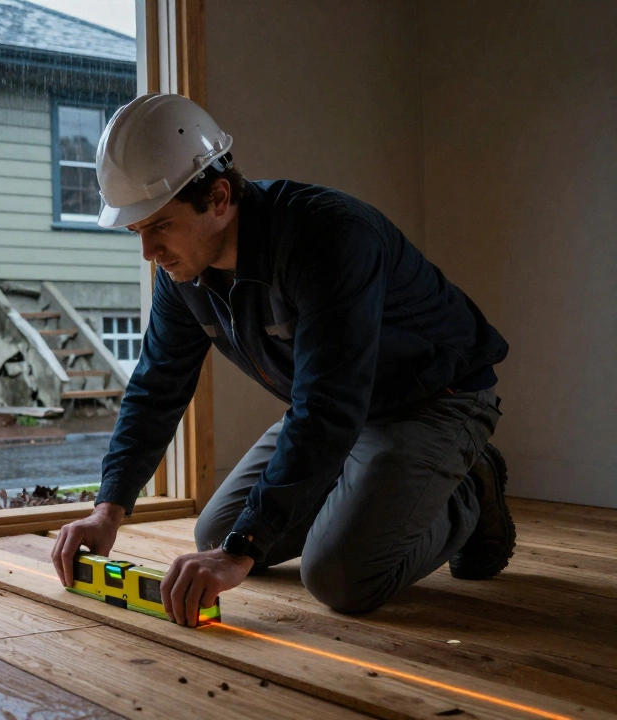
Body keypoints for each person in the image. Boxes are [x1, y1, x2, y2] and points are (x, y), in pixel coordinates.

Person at [50, 93, 513, 622]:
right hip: (340, 409)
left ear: (219, 196)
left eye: (160, 226)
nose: (147, 252)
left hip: (434, 401)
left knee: (339, 576)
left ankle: (467, 494)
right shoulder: (183, 274)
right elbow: (158, 384)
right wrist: (108, 510)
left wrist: (241, 550)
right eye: (138, 231)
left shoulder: (327, 239)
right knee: (217, 532)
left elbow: (327, 406)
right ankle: (372, 491)